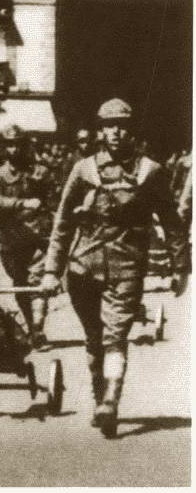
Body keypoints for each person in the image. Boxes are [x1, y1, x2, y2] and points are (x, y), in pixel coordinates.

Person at [41, 98, 189, 438]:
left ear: (132, 130)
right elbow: (63, 223)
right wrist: (51, 270)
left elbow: (171, 221)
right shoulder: (84, 170)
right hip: (83, 267)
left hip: (127, 267)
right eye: (109, 126)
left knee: (115, 336)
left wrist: (180, 266)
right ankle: (100, 396)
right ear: (100, 130)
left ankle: (110, 400)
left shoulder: (150, 171)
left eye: (122, 125)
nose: (116, 132)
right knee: (94, 338)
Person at [0, 124, 54, 350]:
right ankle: (31, 327)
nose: (13, 149)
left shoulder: (39, 171)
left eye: (17, 144)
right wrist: (23, 203)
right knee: (20, 285)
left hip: (37, 238)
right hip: (12, 239)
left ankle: (37, 330)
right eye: (9, 145)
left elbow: (52, 199)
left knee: (37, 284)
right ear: (3, 148)